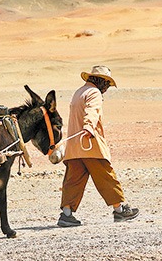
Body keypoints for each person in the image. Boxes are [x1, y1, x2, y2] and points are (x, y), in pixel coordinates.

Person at [57, 65, 139, 227]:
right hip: (90, 145)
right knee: (106, 177)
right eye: (106, 83)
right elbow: (92, 111)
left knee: (73, 181)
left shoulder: (79, 92)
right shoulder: (94, 93)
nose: (107, 87)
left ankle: (66, 215)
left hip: (74, 147)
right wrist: (88, 127)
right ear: (100, 81)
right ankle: (119, 209)